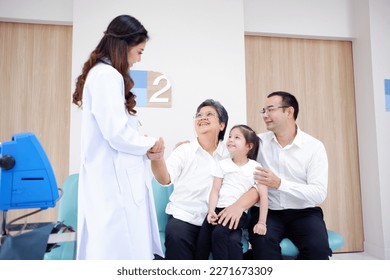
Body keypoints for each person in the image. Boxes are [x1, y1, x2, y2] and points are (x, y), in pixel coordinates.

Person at [72, 14, 164, 260]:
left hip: (112, 179)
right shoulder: (106, 76)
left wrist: (140, 140)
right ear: (124, 46)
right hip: (113, 185)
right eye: (140, 51)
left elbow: (116, 130)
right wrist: (150, 143)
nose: (139, 58)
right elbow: (116, 134)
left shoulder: (103, 74)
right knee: (119, 252)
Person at [249, 91, 332, 260]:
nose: (265, 115)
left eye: (270, 109)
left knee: (318, 250)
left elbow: (319, 193)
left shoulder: (314, 147)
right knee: (263, 248)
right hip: (268, 212)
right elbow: (231, 157)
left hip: (304, 213)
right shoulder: (258, 142)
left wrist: (280, 184)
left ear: (289, 112)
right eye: (263, 111)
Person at [150, 99, 234, 259]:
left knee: (230, 244)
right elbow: (164, 178)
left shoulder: (231, 155)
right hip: (184, 216)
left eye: (209, 114)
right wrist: (157, 157)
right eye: (199, 115)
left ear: (222, 125)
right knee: (176, 237)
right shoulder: (184, 150)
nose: (202, 118)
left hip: (217, 220)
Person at [196, 124, 268, 260]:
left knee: (218, 234)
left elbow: (263, 196)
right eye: (229, 136)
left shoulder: (256, 168)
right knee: (202, 241)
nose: (230, 139)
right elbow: (215, 190)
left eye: (237, 137)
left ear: (249, 146)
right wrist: (211, 210)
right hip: (218, 209)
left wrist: (262, 222)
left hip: (239, 214)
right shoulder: (222, 164)